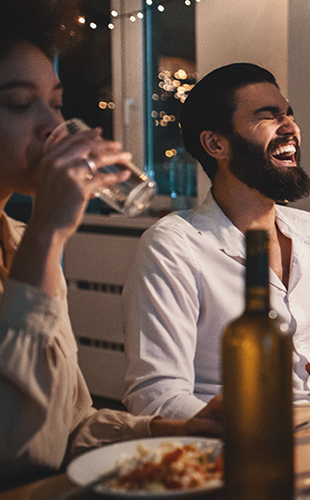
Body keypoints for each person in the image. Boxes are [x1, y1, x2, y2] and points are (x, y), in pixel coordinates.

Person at [0, 0, 219, 485]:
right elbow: (14, 449)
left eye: (55, 103)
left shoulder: (20, 243)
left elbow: (66, 426)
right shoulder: (37, 243)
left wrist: (175, 430)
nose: (51, 127)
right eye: (18, 102)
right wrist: (47, 233)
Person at [122, 63, 310, 420]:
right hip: (237, 447)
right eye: (268, 117)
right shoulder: (173, 248)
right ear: (216, 144)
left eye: (289, 115)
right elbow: (157, 396)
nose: (291, 129)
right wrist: (259, 437)